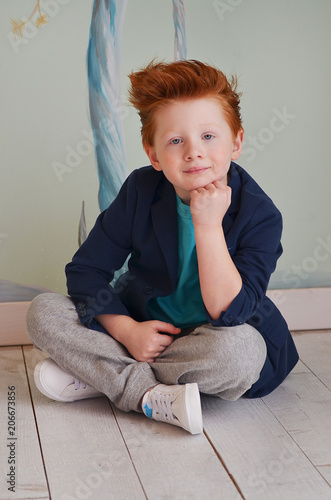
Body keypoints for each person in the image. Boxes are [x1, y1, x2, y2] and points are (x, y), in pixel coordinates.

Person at [26, 60, 299, 435]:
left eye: (208, 136)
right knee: (43, 311)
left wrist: (206, 225)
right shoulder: (140, 190)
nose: (193, 152)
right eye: (175, 141)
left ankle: (108, 379)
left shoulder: (261, 214)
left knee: (240, 355)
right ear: (154, 154)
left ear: (236, 142)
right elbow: (86, 270)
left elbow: (231, 311)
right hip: (144, 331)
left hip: (215, 340)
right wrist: (125, 331)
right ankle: (149, 393)